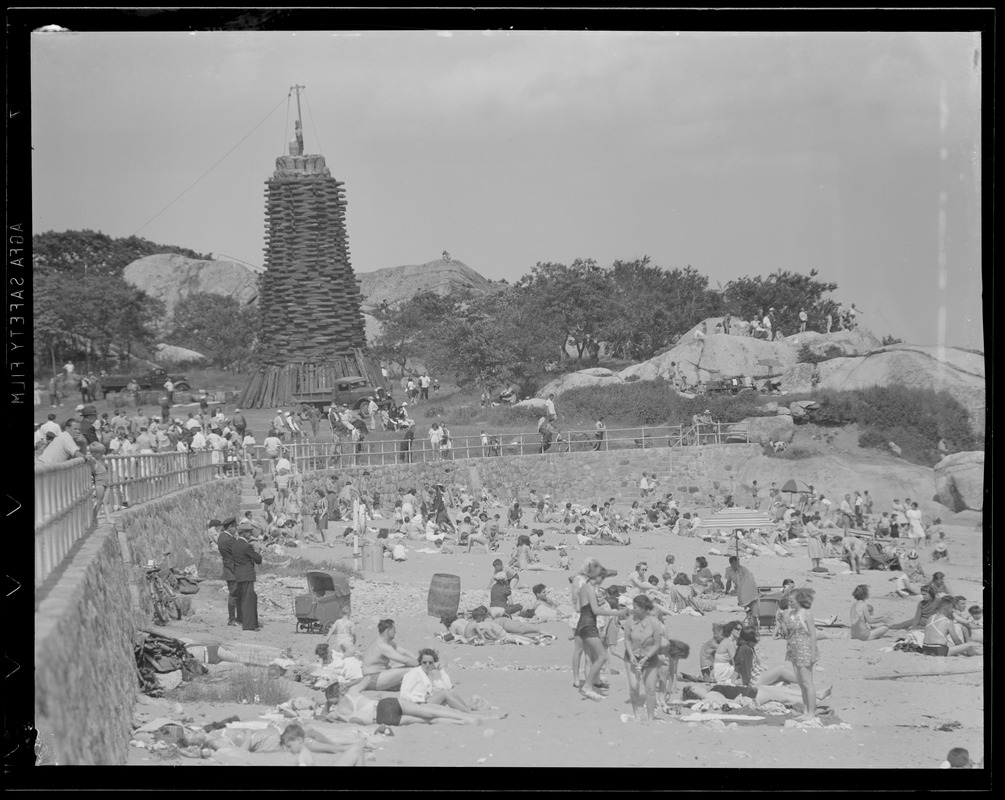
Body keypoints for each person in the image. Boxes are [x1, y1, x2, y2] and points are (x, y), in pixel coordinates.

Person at [325, 678, 501, 727]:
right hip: (386, 705)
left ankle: (464, 722)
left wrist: (328, 703)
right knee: (433, 712)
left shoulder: (337, 715)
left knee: (429, 721)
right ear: (340, 691)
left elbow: (321, 717)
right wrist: (348, 683)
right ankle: (470, 718)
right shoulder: (352, 693)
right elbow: (367, 678)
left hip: (384, 720)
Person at [575, 560, 628, 701]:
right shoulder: (590, 589)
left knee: (590, 658)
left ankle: (591, 686)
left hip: (584, 623)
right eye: (601, 578)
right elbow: (596, 610)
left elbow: (580, 608)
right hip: (588, 625)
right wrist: (618, 613)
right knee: (602, 656)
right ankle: (587, 686)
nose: (602, 580)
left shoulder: (585, 587)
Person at [621, 594, 662, 722]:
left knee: (650, 689)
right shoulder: (630, 620)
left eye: (635, 607)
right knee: (634, 686)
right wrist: (632, 655)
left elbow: (657, 644)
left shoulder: (654, 623)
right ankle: (636, 714)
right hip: (631, 657)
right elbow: (626, 639)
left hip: (649, 658)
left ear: (643, 608)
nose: (632, 610)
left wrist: (646, 657)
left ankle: (650, 718)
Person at [780, 588, 819, 721]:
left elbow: (813, 634)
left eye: (791, 601)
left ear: (798, 601)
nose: (789, 603)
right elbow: (787, 633)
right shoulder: (790, 614)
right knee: (801, 684)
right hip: (794, 650)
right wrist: (781, 622)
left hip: (805, 649)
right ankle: (806, 710)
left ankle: (812, 713)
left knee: (808, 682)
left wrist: (813, 653)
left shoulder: (806, 613)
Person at [360, 619, 419, 691]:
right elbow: (404, 660)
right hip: (372, 679)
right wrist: (422, 664)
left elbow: (404, 652)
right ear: (388, 631)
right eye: (394, 630)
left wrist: (421, 659)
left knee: (411, 666)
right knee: (412, 669)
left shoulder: (387, 642)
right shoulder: (382, 645)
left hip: (378, 676)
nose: (396, 632)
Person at [231, 521, 262, 631]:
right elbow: (258, 560)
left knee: (244, 599)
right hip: (247, 575)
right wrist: (257, 552)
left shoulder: (235, 545)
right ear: (243, 533)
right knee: (249, 600)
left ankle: (248, 621)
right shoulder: (246, 546)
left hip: (239, 575)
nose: (250, 534)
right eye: (248, 532)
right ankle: (249, 625)